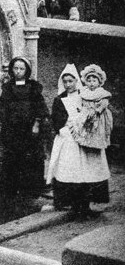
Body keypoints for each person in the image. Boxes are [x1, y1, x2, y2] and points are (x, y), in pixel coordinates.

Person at [47, 64, 110, 217]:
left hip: (87, 138)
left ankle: (86, 205)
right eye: (66, 81)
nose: (68, 84)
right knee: (70, 171)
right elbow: (56, 119)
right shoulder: (60, 99)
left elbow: (96, 110)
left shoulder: (85, 95)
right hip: (68, 139)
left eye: (71, 81)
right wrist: (62, 130)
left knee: (88, 172)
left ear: (77, 81)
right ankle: (73, 205)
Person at [0, 56, 49, 198]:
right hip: (11, 130)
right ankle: (12, 190)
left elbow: (40, 108)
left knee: (29, 159)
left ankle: (28, 191)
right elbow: (1, 108)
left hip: (29, 130)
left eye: (21, 69)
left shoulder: (33, 87)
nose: (18, 71)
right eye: (16, 68)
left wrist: (36, 124)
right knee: (12, 159)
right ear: (12, 69)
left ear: (27, 70)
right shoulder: (8, 87)